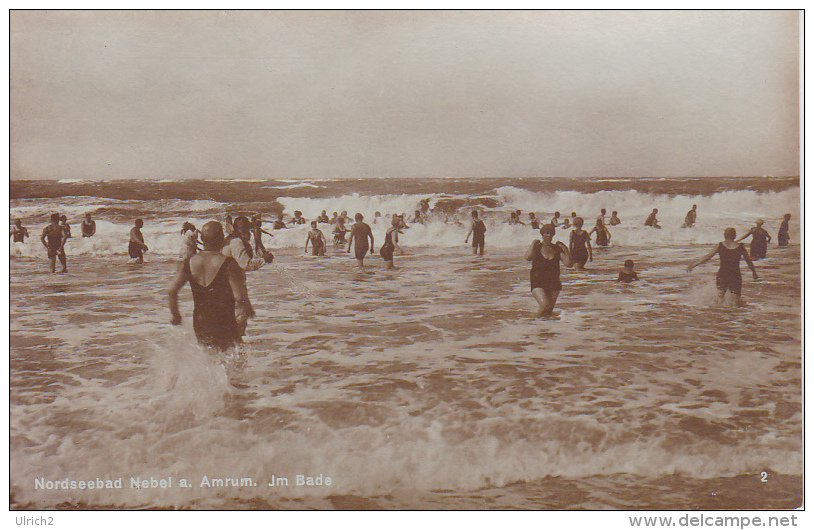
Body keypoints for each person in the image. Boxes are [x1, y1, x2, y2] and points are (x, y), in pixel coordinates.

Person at [168, 221, 255, 352]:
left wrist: (176, 315)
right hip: (224, 320)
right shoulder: (229, 264)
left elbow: (171, 291)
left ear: (201, 239)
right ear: (222, 239)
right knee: (236, 361)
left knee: (209, 359)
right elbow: (239, 296)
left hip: (200, 320)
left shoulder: (188, 263)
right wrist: (248, 309)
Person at [687, 227, 758, 307]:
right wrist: (754, 272)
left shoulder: (720, 245)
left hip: (723, 274)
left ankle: (720, 316)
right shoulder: (740, 247)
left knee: (720, 298)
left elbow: (708, 257)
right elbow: (748, 261)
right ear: (735, 236)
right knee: (735, 303)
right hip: (735, 275)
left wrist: (693, 264)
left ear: (724, 235)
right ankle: (734, 318)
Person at [525, 223, 573, 317]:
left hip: (553, 282)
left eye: (551, 233)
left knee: (549, 311)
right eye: (546, 233)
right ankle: (532, 323)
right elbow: (528, 257)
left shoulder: (557, 249)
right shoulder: (537, 247)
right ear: (542, 234)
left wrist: (565, 249)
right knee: (544, 306)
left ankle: (546, 329)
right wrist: (532, 244)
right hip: (538, 281)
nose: (549, 235)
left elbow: (569, 264)